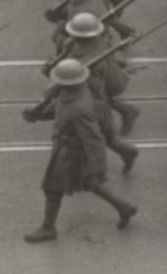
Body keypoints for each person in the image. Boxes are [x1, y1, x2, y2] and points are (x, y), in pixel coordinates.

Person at [23, 58, 136, 241]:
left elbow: (93, 138)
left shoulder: (79, 107)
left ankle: (48, 228)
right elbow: (58, 111)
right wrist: (38, 115)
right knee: (91, 184)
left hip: (71, 150)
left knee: (52, 188)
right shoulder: (72, 92)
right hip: (67, 146)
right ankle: (123, 207)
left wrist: (96, 166)